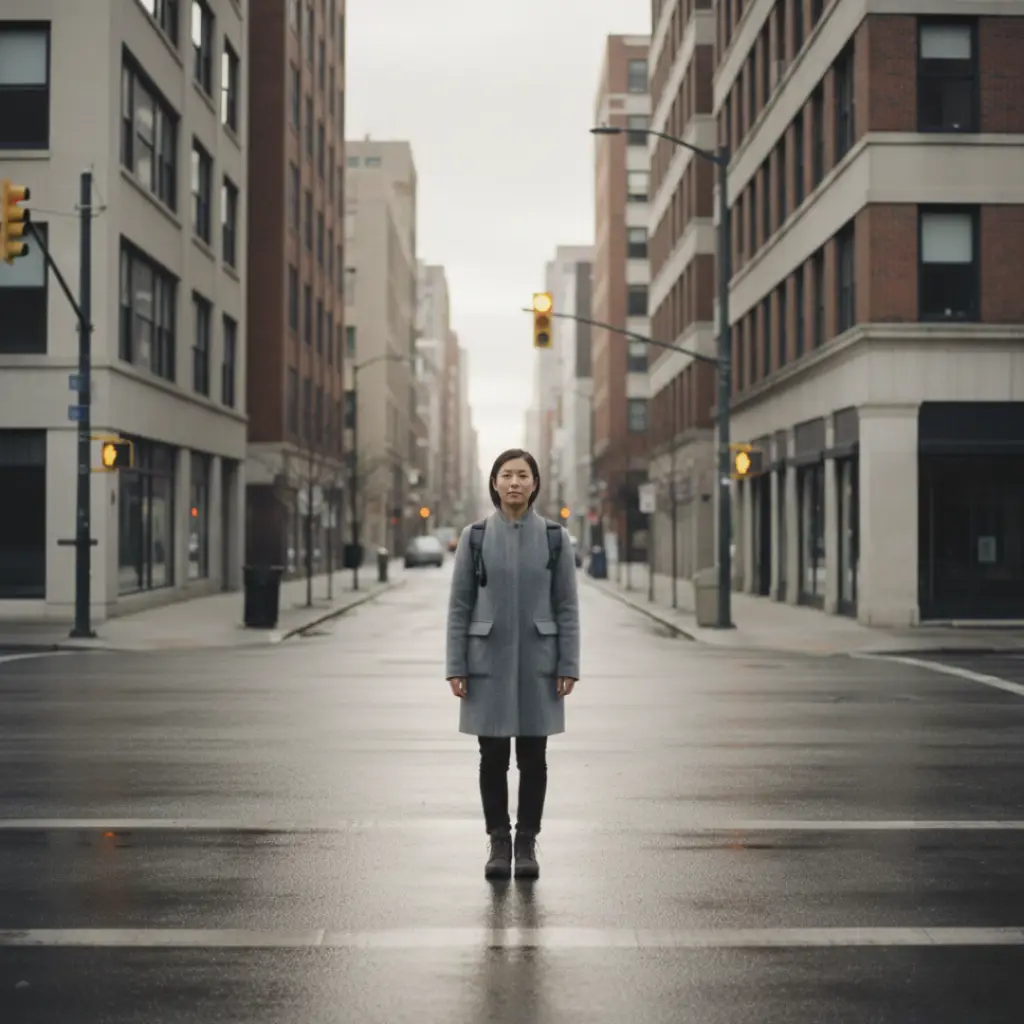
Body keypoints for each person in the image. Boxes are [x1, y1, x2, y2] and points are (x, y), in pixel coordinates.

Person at [445, 448, 581, 880]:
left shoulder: (556, 539)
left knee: (534, 758)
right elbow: (460, 606)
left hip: (539, 663)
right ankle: (498, 841)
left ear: (535, 484)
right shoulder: (475, 536)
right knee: (492, 758)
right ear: (495, 483)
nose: (515, 483)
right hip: (487, 662)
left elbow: (567, 607)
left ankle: (527, 843)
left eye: (523, 475)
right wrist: (456, 665)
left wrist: (568, 664)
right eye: (507, 475)